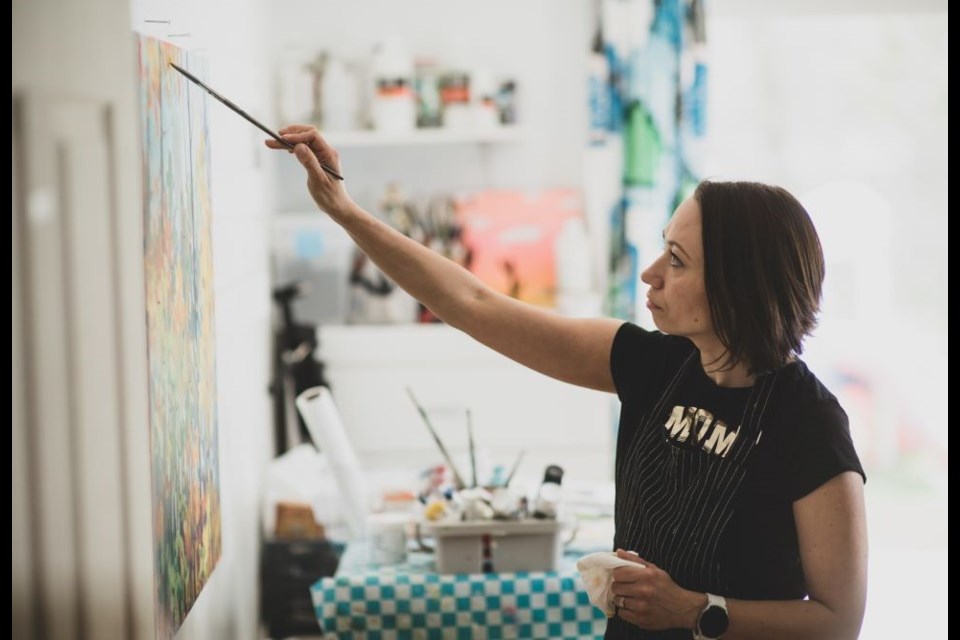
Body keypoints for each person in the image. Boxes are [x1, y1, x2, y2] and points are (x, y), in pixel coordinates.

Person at [266, 126, 868, 640]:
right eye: (663, 250)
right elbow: (473, 301)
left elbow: (839, 620)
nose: (651, 274)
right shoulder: (653, 364)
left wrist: (694, 610)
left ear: (740, 288)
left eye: (678, 261)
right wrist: (346, 211)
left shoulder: (807, 422)